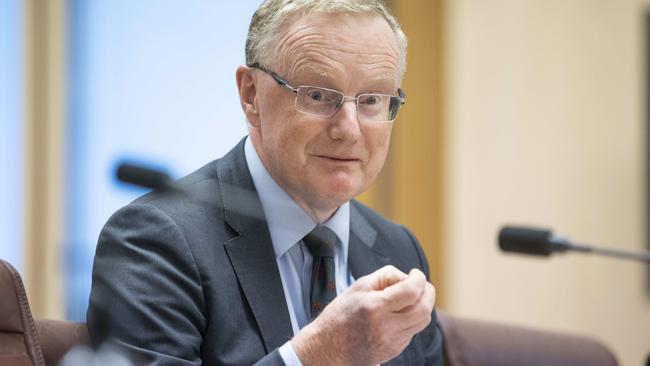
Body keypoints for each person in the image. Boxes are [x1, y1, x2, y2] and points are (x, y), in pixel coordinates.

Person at [88, 0, 444, 365]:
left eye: (371, 100)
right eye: (318, 96)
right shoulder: (155, 241)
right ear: (251, 94)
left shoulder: (399, 249)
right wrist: (318, 354)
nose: (349, 130)